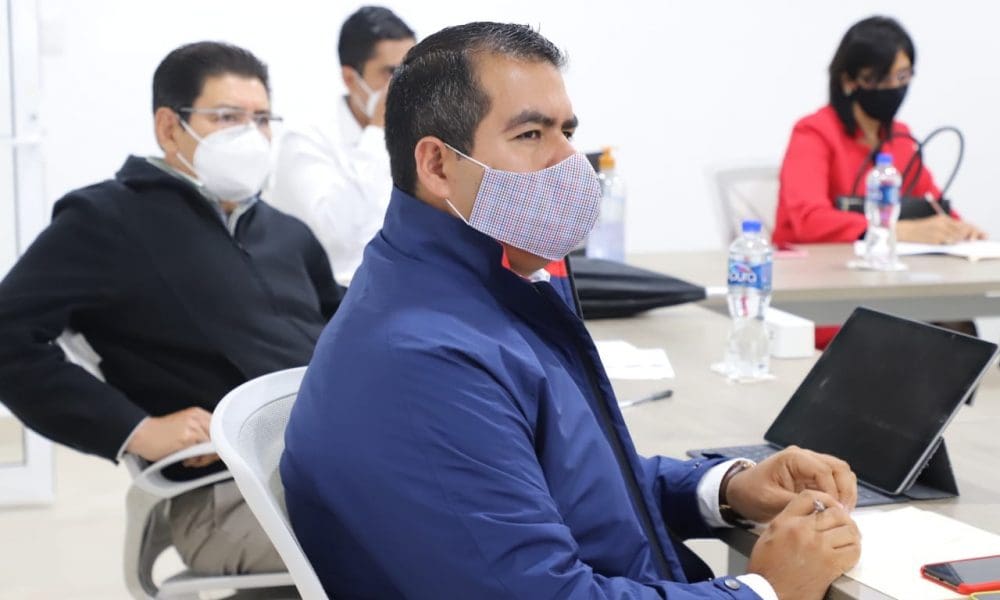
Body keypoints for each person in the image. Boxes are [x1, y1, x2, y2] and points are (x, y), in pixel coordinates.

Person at [282, 22, 861, 599]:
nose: (570, 162)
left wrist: (725, 488)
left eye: (567, 131)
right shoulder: (427, 358)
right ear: (437, 165)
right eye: (531, 134)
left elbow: (575, 484)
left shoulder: (478, 290)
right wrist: (766, 590)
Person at [0, 41, 340, 577]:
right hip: (230, 496)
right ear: (169, 127)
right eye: (227, 118)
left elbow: (347, 333)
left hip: (336, 470)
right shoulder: (107, 220)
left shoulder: (286, 234)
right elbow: (8, 336)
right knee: (425, 539)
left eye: (261, 119)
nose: (250, 135)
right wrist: (136, 429)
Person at [773, 15, 985, 246]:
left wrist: (958, 229)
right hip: (813, 264)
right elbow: (809, 221)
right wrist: (895, 230)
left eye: (902, 76)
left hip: (883, 264)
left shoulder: (900, 138)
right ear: (848, 81)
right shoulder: (813, 133)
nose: (894, 86)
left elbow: (931, 204)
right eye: (881, 78)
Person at [269, 6, 416, 283]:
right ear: (350, 79)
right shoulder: (305, 139)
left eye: (411, 70)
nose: (405, 84)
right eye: (391, 72)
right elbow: (334, 236)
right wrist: (378, 131)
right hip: (337, 293)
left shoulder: (420, 133)